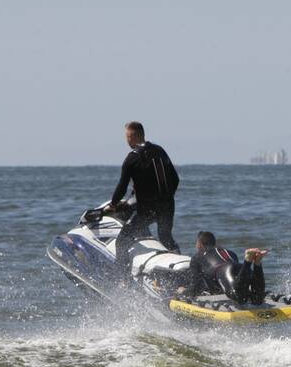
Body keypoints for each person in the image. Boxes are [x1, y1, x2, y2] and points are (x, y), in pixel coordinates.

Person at [110, 121, 180, 252]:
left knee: (122, 241)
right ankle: (182, 268)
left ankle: (124, 272)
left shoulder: (132, 158)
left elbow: (121, 188)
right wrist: (167, 198)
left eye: (127, 137)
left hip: (147, 210)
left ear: (133, 136)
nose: (127, 141)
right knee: (166, 237)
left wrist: (113, 204)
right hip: (168, 205)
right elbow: (175, 179)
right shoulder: (160, 151)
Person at [179, 231, 268, 305]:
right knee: (257, 299)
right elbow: (238, 283)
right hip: (240, 268)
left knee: (238, 297)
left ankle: (248, 261)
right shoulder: (230, 252)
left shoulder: (197, 257)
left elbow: (196, 288)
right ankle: (257, 263)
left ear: (199, 245)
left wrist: (183, 292)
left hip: (224, 271)